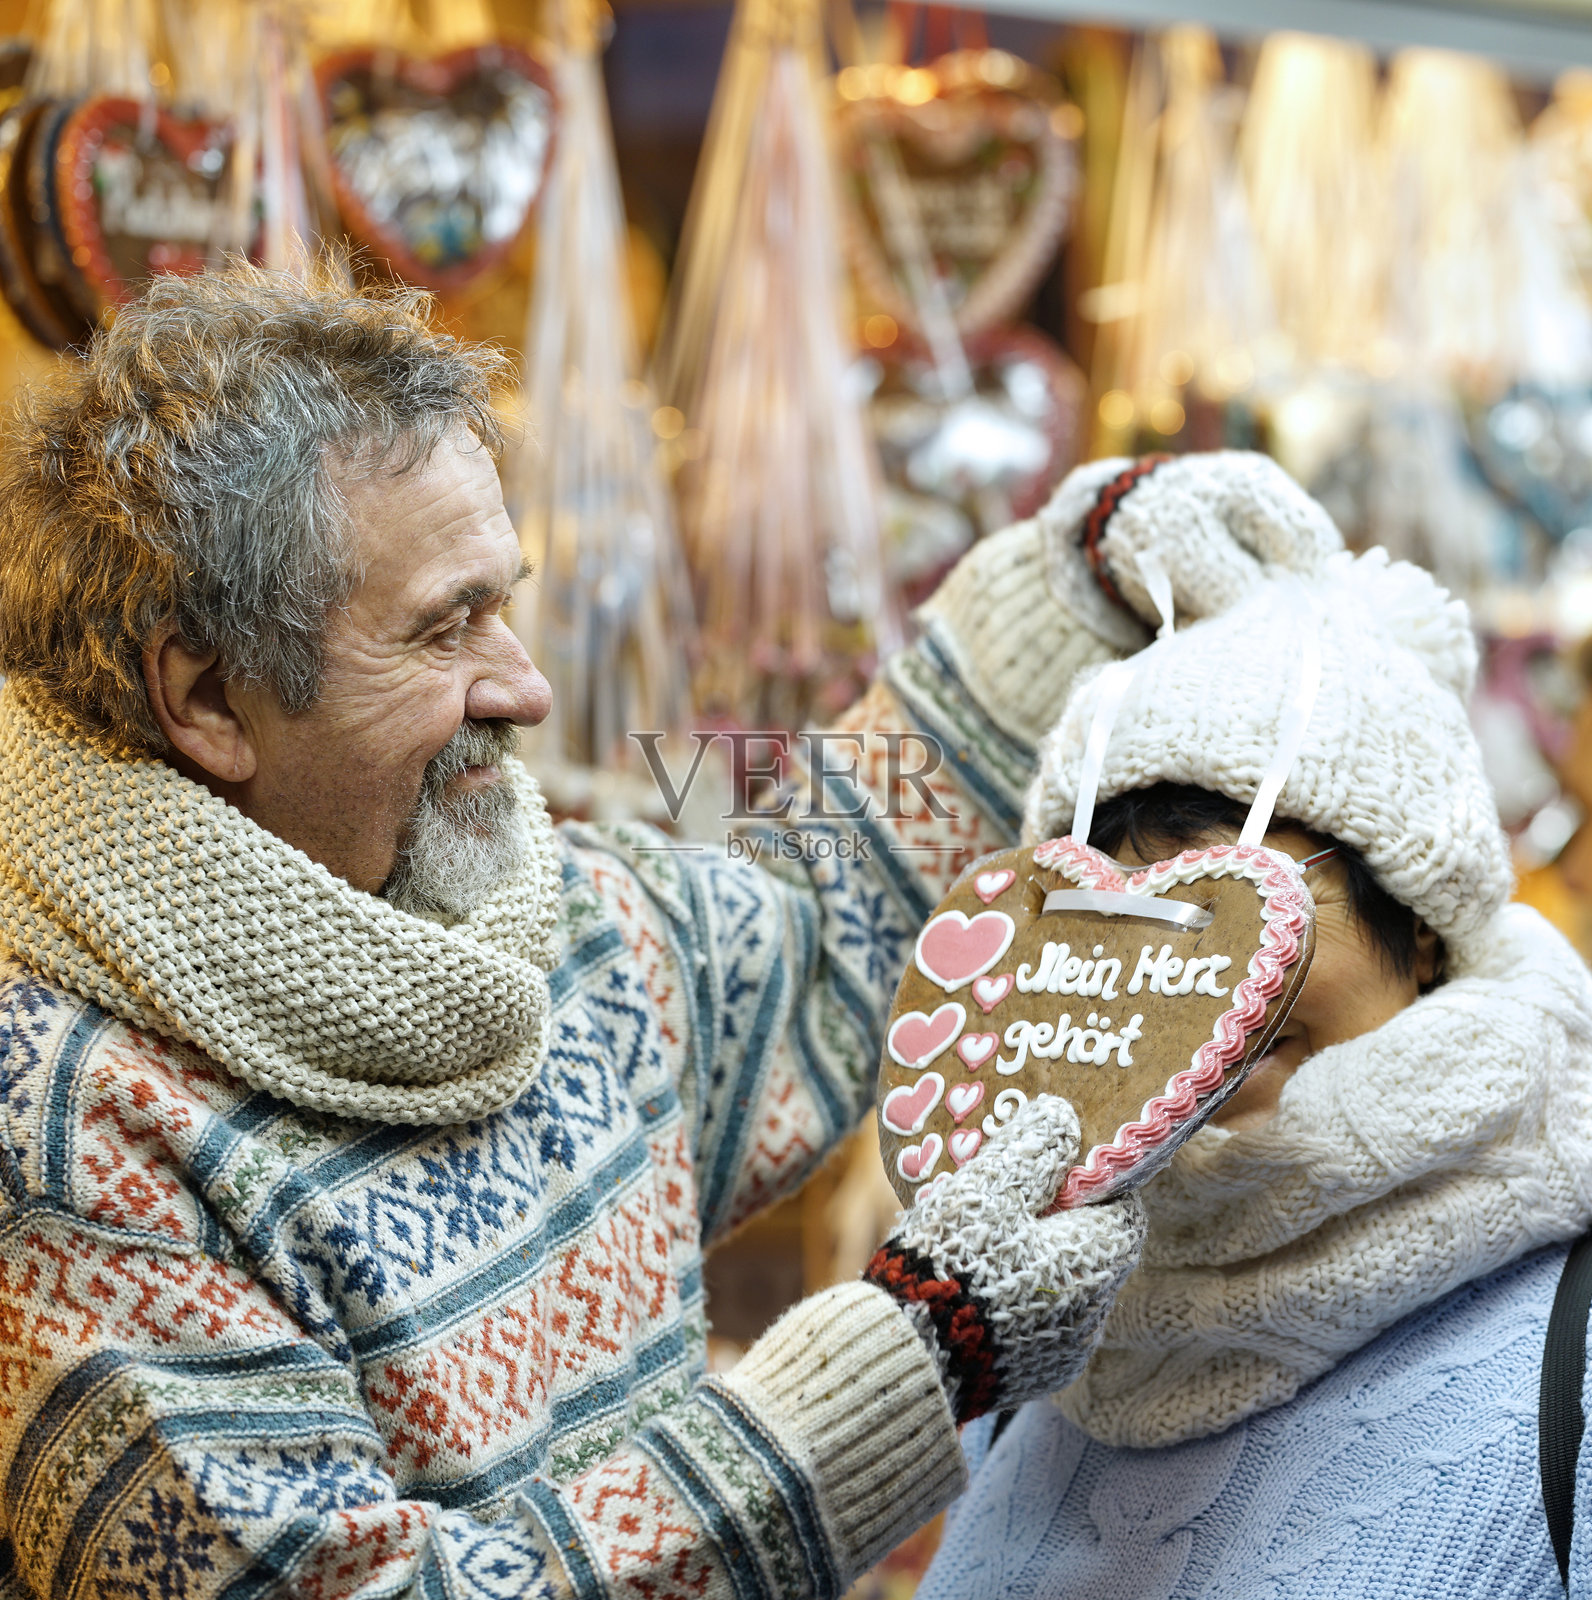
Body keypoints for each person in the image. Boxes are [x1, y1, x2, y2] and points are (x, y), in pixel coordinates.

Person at [0, 266, 1282, 1600]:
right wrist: (914, 1354)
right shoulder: (67, 1139)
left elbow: (814, 917)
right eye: (444, 630)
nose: (528, 684)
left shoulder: (533, 926)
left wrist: (1071, 581)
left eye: (504, 601)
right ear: (209, 696)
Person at [916, 460, 1592, 1598]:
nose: (1198, 998)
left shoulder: (1564, 1364)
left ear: (1415, 928)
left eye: (1247, 911)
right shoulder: (1041, 1322)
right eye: (1124, 920)